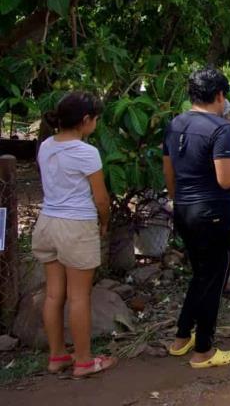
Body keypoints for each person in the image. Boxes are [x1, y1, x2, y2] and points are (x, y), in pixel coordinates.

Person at [163, 68, 230, 368]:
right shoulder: (220, 128)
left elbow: (169, 168)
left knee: (201, 275)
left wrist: (176, 197)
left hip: (184, 209)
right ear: (219, 96)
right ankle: (203, 349)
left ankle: (181, 338)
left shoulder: (176, 124)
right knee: (215, 280)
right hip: (213, 213)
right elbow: (227, 178)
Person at [33, 92, 117, 378]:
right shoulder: (86, 153)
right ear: (85, 121)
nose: (96, 123)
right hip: (76, 226)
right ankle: (83, 360)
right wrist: (104, 223)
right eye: (95, 119)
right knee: (79, 296)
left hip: (47, 223)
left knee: (54, 294)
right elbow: (101, 199)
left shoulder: (46, 146)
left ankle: (57, 355)